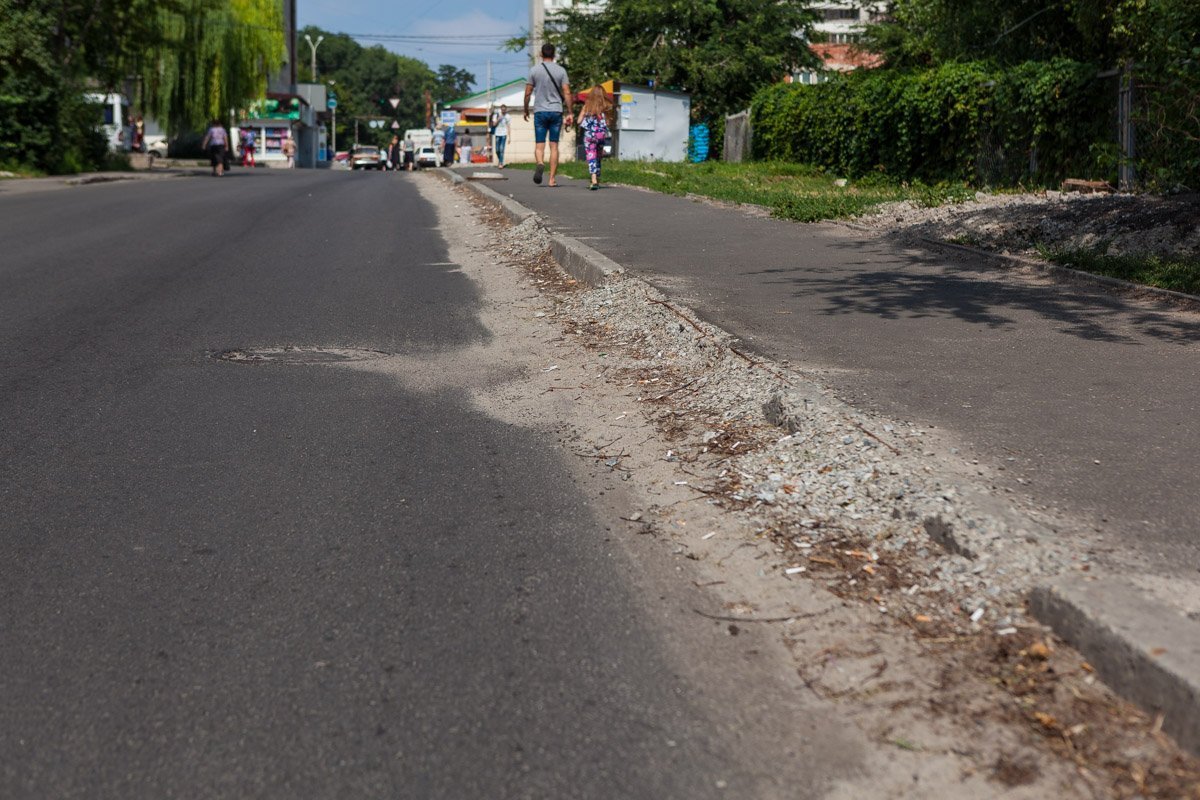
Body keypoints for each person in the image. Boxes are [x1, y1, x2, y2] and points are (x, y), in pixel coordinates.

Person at [524, 43, 572, 187]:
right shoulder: (561, 71)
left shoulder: (534, 70)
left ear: (541, 54)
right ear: (554, 54)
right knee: (554, 146)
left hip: (540, 111)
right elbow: (567, 92)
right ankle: (552, 179)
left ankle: (540, 163)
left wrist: (525, 109)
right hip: (556, 111)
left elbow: (527, 93)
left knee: (539, 145)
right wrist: (570, 112)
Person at [579, 86, 611, 191]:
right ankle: (597, 177)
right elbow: (608, 123)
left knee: (591, 156)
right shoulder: (605, 107)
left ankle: (593, 180)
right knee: (598, 157)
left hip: (589, 136)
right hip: (600, 136)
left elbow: (579, 121)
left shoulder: (587, 106)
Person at [492, 104, 511, 168]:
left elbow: (508, 127)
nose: (503, 111)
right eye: (502, 110)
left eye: (504, 110)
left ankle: (501, 163)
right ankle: (500, 160)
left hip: (504, 134)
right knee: (497, 150)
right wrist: (498, 119)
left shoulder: (508, 116)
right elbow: (494, 124)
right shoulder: (496, 115)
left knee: (501, 149)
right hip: (497, 134)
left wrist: (509, 137)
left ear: (506, 110)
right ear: (501, 109)